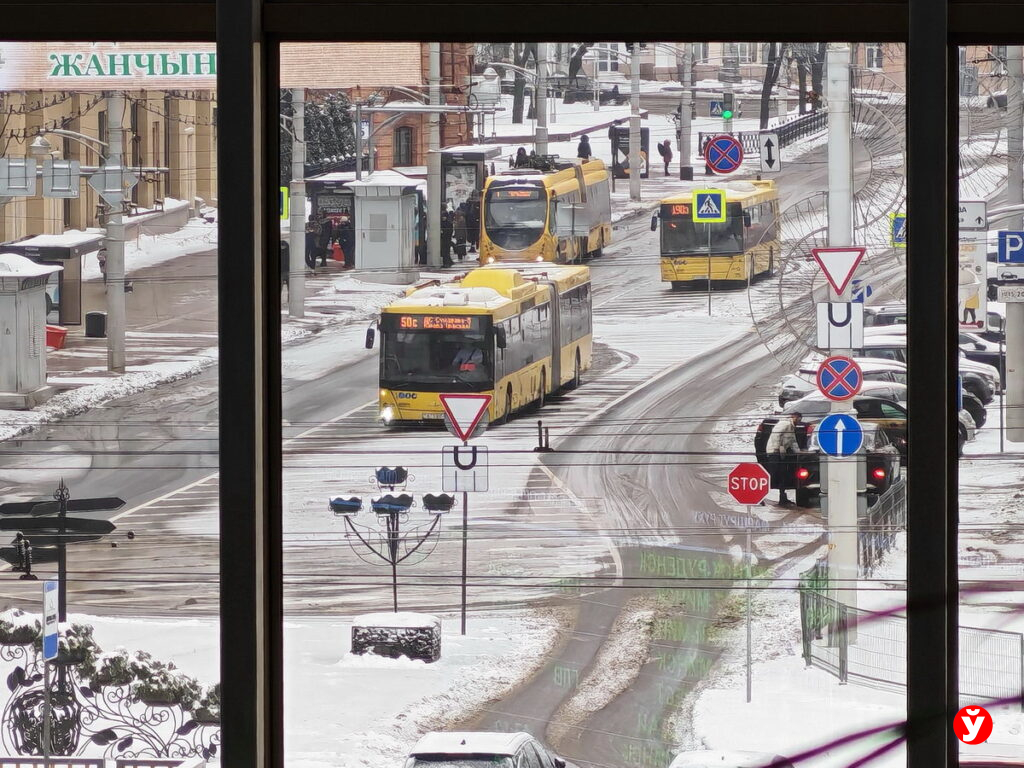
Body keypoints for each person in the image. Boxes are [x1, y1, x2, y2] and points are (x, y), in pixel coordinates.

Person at [765, 411, 803, 505]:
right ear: (794, 417)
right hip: (773, 452)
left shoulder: (791, 428)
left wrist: (799, 452)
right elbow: (775, 434)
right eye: (798, 419)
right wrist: (776, 448)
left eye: (800, 419)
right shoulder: (785, 423)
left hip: (781, 453)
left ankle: (782, 498)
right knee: (773, 474)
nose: (799, 421)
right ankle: (760, 494)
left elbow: (793, 442)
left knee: (783, 474)